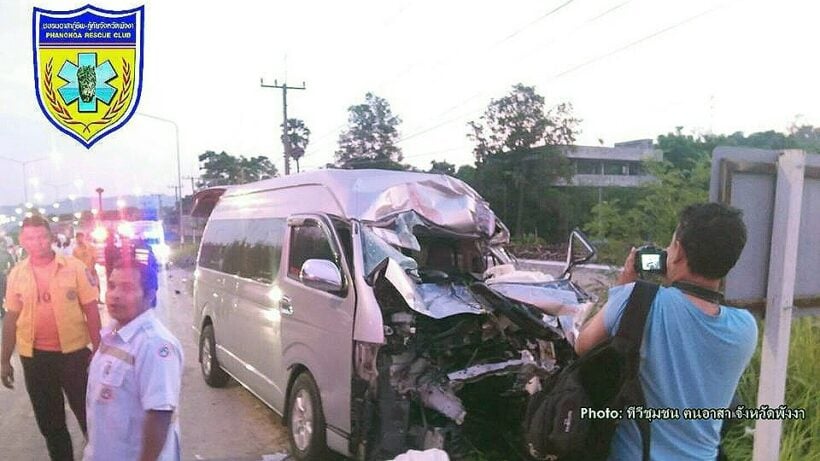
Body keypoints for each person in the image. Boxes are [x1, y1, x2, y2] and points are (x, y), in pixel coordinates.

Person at [575, 202, 758, 460]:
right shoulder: (745, 327)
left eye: (671, 245)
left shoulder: (636, 299)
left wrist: (625, 285)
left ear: (679, 252)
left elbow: (583, 345)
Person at [1, 215, 102, 461]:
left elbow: (91, 311)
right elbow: (11, 318)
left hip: (75, 356)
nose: (37, 243)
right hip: (35, 359)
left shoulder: (74, 267)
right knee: (50, 424)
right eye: (30, 238)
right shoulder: (16, 274)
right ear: (22, 241)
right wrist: (4, 360)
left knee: (91, 419)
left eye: (42, 237)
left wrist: (99, 352)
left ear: (51, 238)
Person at [83, 254, 182, 461]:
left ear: (149, 295)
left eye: (127, 288)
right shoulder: (112, 335)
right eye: (111, 286)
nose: (114, 295)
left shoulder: (154, 344)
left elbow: (159, 415)